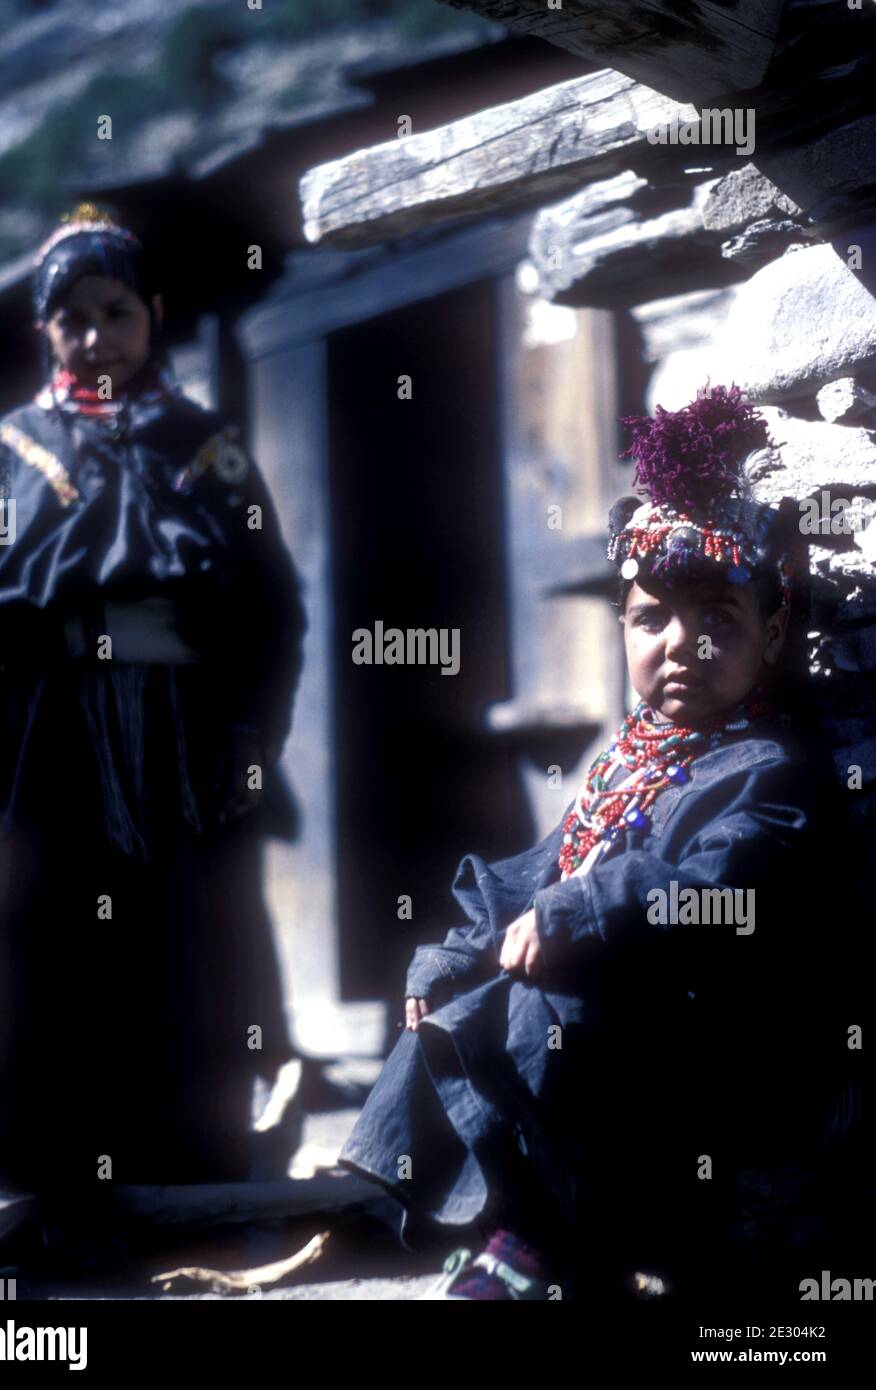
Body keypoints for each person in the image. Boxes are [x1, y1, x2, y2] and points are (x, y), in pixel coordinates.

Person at [337, 385, 865, 1300]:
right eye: (653, 619)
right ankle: (492, 1217)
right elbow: (546, 868)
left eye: (719, 623)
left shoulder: (766, 768)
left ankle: (549, 1243)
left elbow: (717, 883)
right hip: (643, 1029)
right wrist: (458, 952)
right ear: (622, 627)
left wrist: (586, 905)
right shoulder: (630, 758)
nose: (682, 647)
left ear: (773, 631)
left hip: (731, 1048)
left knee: (559, 1009)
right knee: (469, 989)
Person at [0, 204, 306, 1204]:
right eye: (73, 320)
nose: (96, 336)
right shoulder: (8, 452)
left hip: (182, 745)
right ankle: (39, 1188)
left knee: (182, 941)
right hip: (48, 744)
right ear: (44, 334)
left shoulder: (207, 448)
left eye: (115, 312)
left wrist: (251, 736)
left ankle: (186, 1183)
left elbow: (274, 607)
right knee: (51, 948)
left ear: (153, 314)